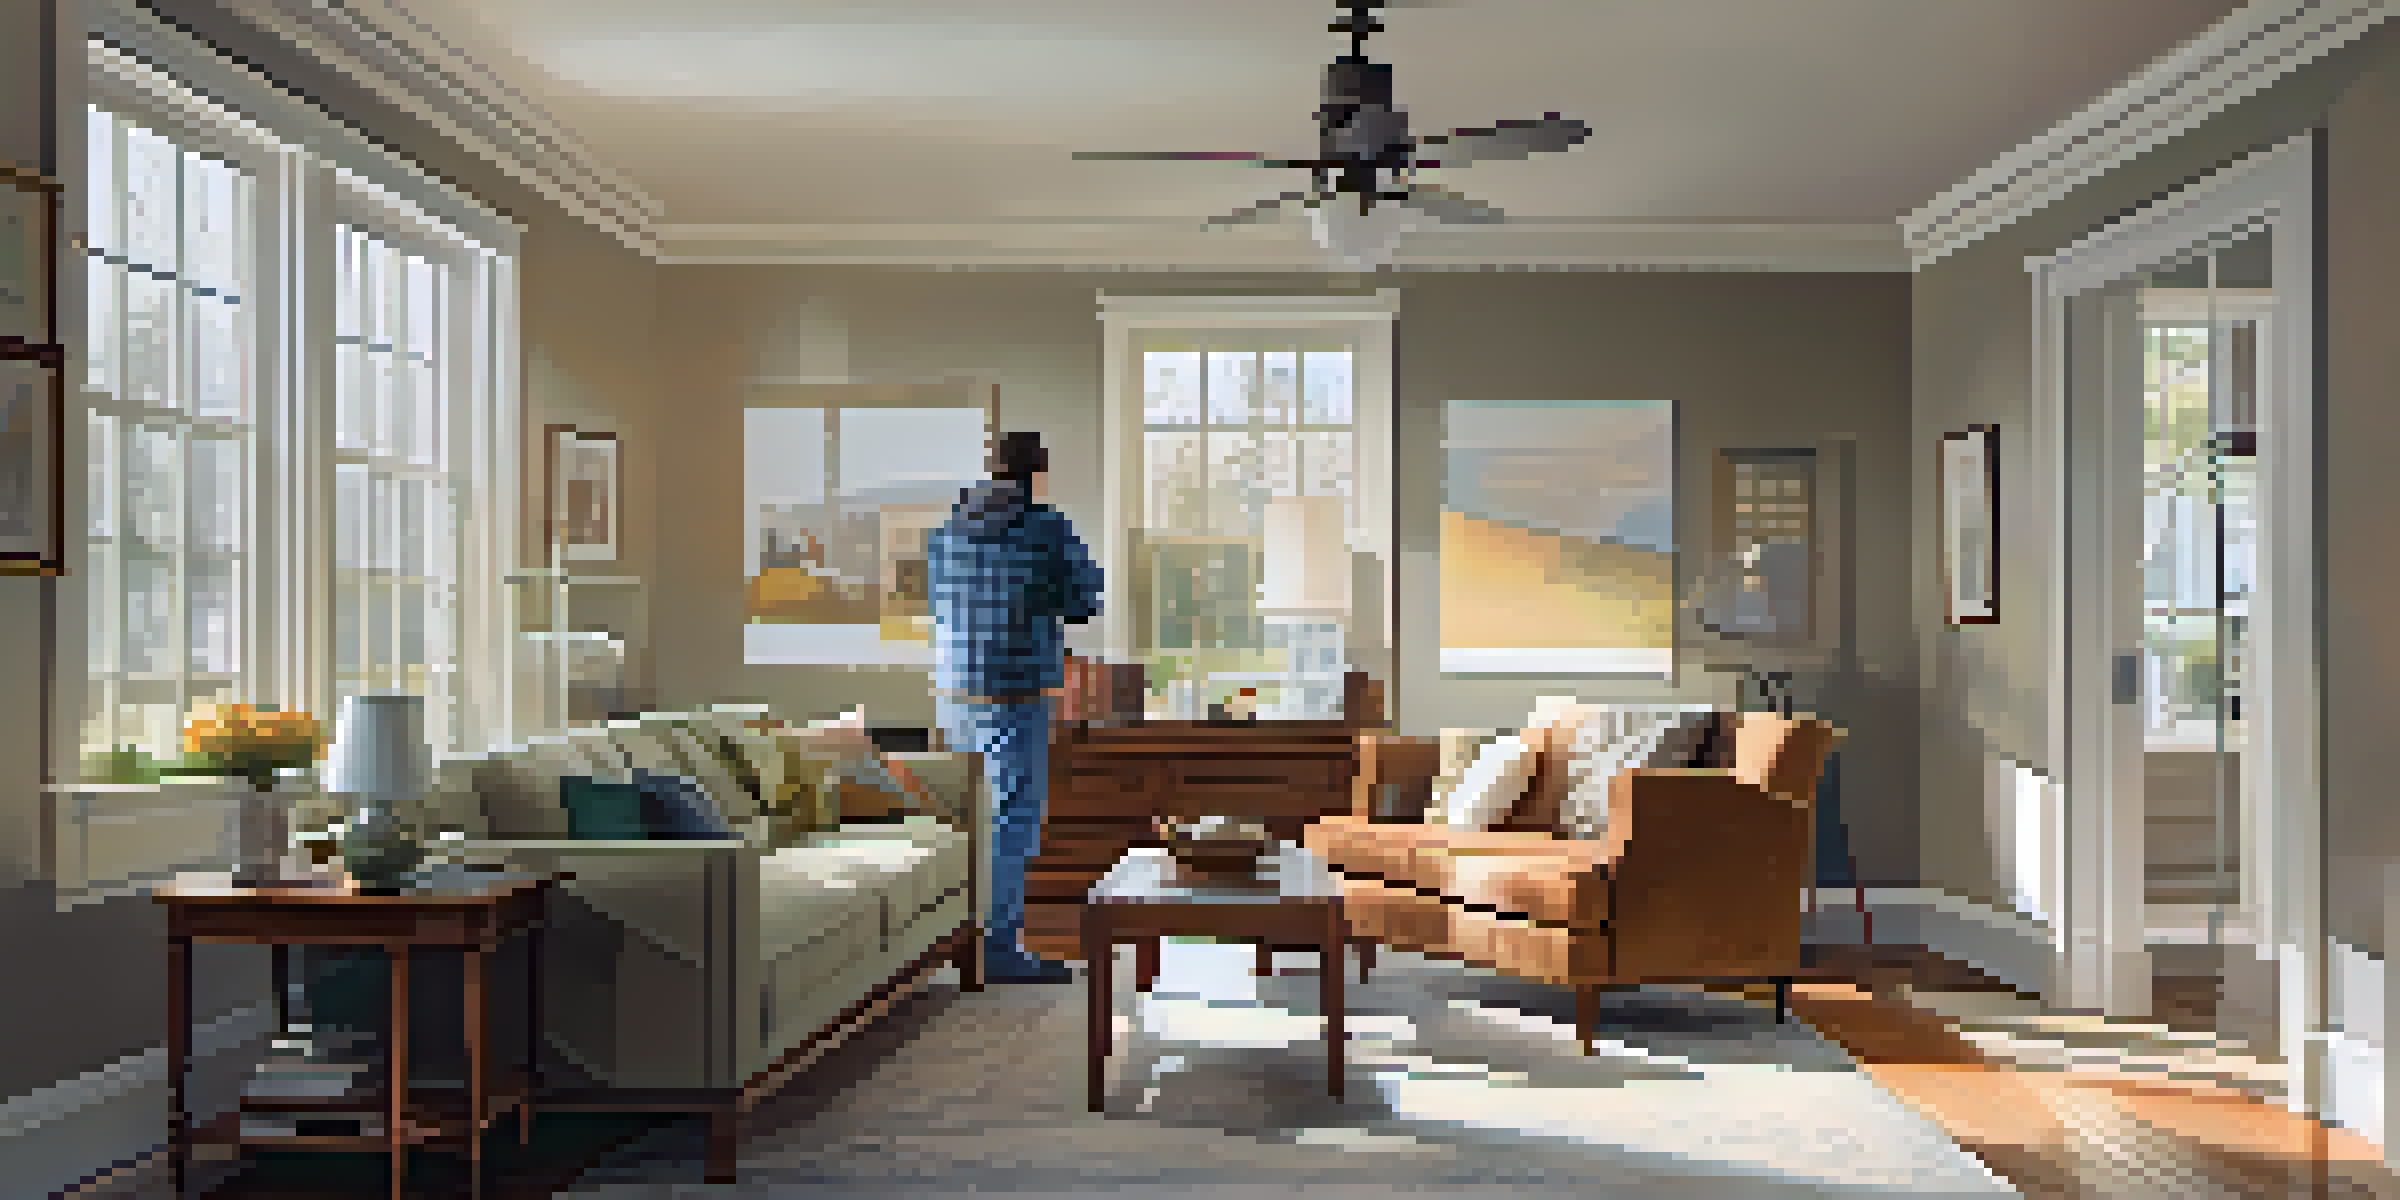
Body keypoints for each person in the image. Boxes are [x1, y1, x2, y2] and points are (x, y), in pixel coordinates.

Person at [927, 431, 1103, 983]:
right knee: (1013, 817)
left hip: (954, 690)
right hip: (1017, 688)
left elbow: (937, 601)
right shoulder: (1046, 526)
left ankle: (958, 944)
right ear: (1036, 474)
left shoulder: (948, 527)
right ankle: (1000, 948)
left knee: (966, 820)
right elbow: (1084, 601)